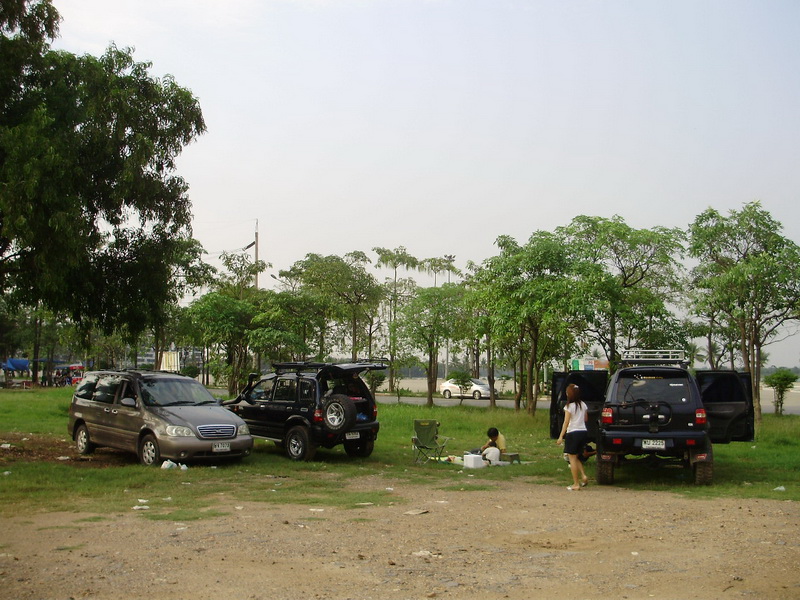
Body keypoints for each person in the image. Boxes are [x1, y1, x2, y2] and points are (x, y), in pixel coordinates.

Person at [556, 383, 589, 491]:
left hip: (573, 433)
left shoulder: (569, 407)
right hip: (583, 432)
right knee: (576, 457)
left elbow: (566, 422)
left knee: (571, 459)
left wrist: (561, 436)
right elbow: (586, 419)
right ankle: (583, 476)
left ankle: (576, 484)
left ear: (569, 394)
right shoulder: (583, 405)